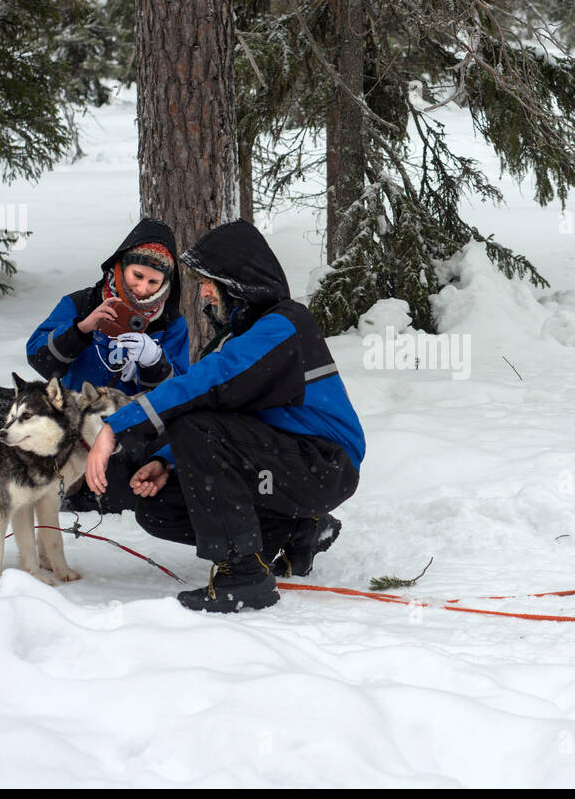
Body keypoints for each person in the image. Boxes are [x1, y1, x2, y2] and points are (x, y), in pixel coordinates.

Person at [84, 218, 365, 613]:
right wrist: (166, 461)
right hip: (285, 464)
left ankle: (244, 576)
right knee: (157, 507)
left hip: (323, 465)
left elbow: (206, 385)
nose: (204, 293)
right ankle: (297, 530)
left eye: (211, 283)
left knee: (195, 426)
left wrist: (115, 427)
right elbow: (232, 416)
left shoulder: (285, 323)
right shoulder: (244, 338)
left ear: (238, 285)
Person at [26, 217, 190, 399]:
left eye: (153, 282)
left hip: (136, 423)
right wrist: (81, 330)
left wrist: (153, 361)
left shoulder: (171, 324)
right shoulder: (81, 304)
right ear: (121, 266)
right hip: (79, 418)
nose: (142, 288)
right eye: (137, 275)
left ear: (165, 283)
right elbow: (38, 359)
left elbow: (176, 395)